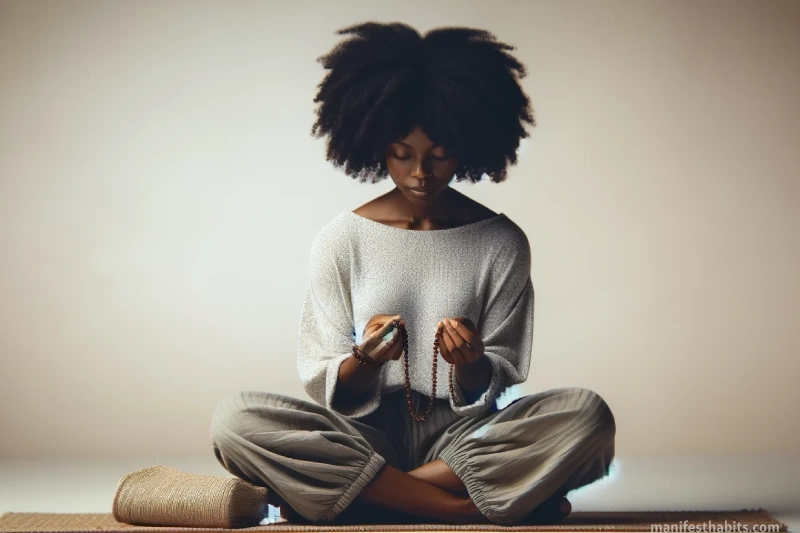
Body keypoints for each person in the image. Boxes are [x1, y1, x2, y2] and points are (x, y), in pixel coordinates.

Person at [210, 21, 616, 526]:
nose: (420, 172)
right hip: (364, 432)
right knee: (236, 420)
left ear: (466, 144)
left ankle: (366, 497)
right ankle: (464, 507)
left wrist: (469, 365)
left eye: (438, 153)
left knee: (586, 416)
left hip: (462, 438)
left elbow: (500, 374)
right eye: (403, 154)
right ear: (376, 142)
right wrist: (365, 359)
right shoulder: (343, 238)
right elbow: (322, 372)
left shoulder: (500, 242)